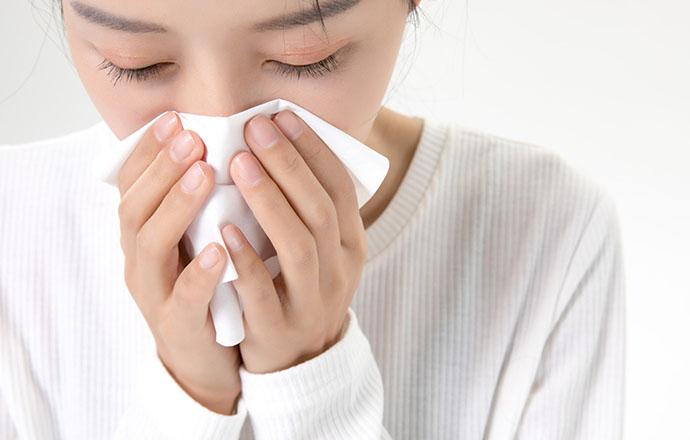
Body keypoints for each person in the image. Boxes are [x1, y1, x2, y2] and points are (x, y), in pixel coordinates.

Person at [0, 0, 626, 438]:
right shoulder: (15, 227)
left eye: (306, 57)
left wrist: (315, 390)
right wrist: (187, 396)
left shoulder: (548, 232)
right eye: (134, 61)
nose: (224, 142)